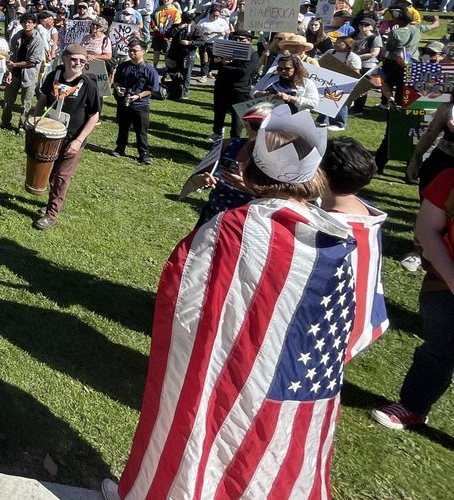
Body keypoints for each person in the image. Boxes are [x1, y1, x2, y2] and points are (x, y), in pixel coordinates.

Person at [106, 106, 355, 500]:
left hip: (235, 362)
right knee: (264, 457)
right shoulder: (337, 237)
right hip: (293, 377)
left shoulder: (236, 227)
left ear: (252, 168)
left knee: (208, 433)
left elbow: (184, 292)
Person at [371, 133, 454, 431]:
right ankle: (413, 406)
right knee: (438, 350)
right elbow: (427, 229)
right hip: (445, 286)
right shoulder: (449, 179)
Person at [320, 138, 389, 361]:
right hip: (363, 320)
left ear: (321, 176)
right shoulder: (366, 213)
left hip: (331, 330)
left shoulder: (329, 228)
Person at [30, 44, 102, 230]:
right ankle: (51, 202)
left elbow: (94, 116)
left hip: (72, 139)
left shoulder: (89, 84)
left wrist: (78, 141)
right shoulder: (54, 76)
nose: (78, 63)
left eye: (82, 61)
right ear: (64, 59)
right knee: (50, 173)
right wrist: (36, 123)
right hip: (49, 136)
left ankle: (51, 213)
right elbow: (43, 100)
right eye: (74, 59)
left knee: (61, 177)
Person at [111, 39, 159, 165]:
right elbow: (116, 81)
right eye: (130, 50)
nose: (131, 53)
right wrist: (118, 89)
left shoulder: (150, 70)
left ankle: (144, 154)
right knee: (123, 127)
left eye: (135, 51)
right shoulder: (123, 66)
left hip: (140, 105)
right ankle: (120, 148)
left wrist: (138, 96)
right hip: (124, 102)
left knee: (141, 130)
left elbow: (153, 89)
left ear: (143, 52)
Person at [210, 30, 260, 141]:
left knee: (237, 116)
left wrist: (223, 65)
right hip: (221, 86)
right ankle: (217, 132)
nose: (237, 41)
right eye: (234, 38)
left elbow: (243, 72)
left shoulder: (253, 54)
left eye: (241, 39)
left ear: (249, 40)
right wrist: (220, 62)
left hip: (240, 89)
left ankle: (235, 137)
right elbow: (212, 65)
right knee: (219, 111)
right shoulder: (225, 50)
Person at [0, 13, 44, 131]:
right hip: (14, 74)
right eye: (24, 22)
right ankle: (5, 123)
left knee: (26, 103)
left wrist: (15, 65)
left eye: (29, 22)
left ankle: (22, 126)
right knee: (8, 100)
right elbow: (11, 55)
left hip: (29, 75)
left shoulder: (38, 40)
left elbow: (32, 62)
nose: (26, 24)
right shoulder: (17, 36)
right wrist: (10, 71)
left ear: (35, 24)